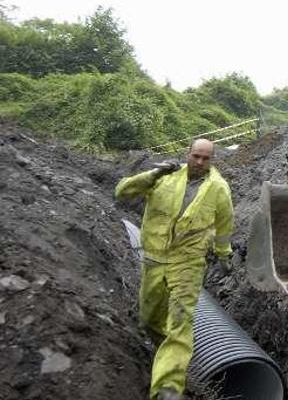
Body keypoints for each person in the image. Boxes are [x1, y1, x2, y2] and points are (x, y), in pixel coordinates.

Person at [115, 139, 234, 400]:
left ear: (212, 160)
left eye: (206, 158)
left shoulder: (218, 188)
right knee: (149, 320)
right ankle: (167, 356)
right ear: (187, 154)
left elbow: (224, 228)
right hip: (154, 259)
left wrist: (224, 256)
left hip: (188, 264)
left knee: (180, 323)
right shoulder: (164, 177)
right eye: (196, 156)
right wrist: (152, 174)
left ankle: (168, 387)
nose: (200, 162)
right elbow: (122, 192)